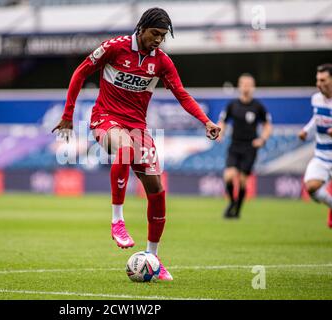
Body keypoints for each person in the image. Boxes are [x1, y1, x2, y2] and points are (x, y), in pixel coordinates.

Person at [52, 8, 220, 280]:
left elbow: (182, 94)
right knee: (125, 147)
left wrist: (206, 121)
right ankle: (117, 220)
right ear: (141, 28)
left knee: (156, 188)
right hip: (105, 119)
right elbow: (80, 74)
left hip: (137, 127)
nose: (158, 40)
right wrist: (68, 116)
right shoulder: (114, 48)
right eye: (155, 33)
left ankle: (153, 256)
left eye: (163, 36)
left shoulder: (162, 62)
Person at [217, 73, 272, 219]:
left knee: (242, 180)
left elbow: (267, 125)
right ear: (239, 86)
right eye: (243, 84)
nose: (246, 87)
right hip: (235, 145)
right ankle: (232, 202)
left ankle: (237, 210)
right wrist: (220, 133)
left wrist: (262, 139)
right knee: (228, 176)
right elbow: (222, 121)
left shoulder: (258, 106)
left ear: (253, 87)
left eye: (249, 84)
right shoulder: (232, 105)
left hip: (250, 147)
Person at [298, 63, 332, 229]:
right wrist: (306, 130)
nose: (319, 83)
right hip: (322, 154)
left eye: (323, 80)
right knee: (311, 187)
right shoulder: (316, 99)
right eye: (317, 80)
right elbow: (316, 118)